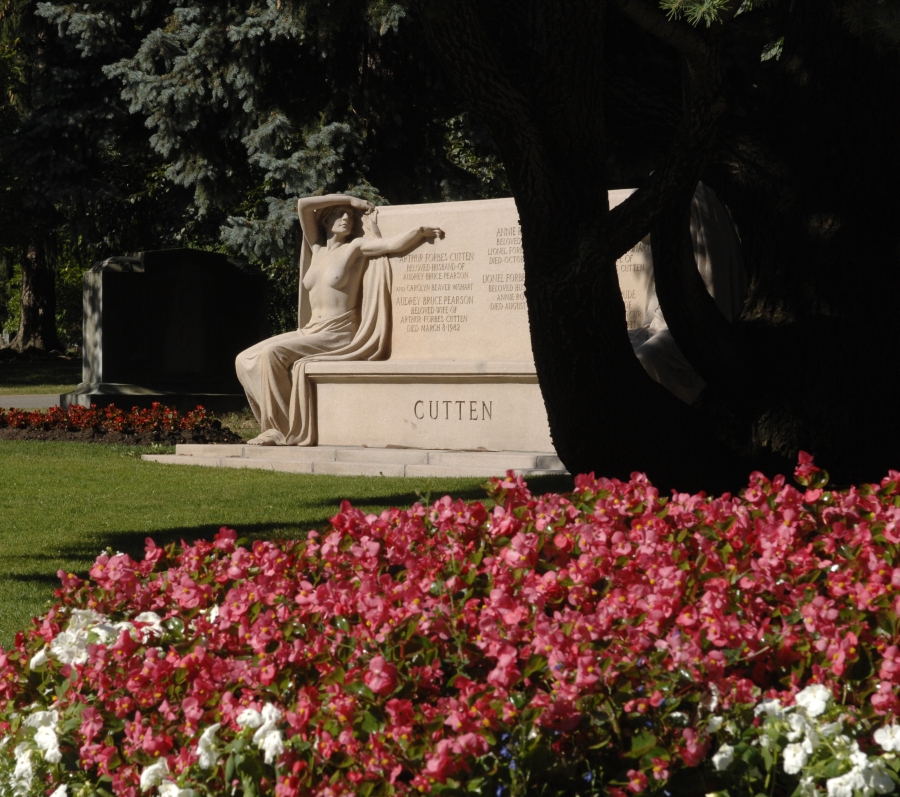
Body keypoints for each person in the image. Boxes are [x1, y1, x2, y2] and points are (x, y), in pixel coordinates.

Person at [236, 194, 444, 445]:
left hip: (338, 333)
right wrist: (351, 200)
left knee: (271, 354)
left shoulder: (354, 248)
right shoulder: (317, 248)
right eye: (339, 213)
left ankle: (278, 429)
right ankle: (278, 421)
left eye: (350, 215)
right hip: (311, 331)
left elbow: (391, 245)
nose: (346, 218)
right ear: (325, 220)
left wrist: (418, 232)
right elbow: (303, 205)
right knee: (243, 359)